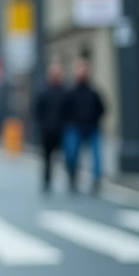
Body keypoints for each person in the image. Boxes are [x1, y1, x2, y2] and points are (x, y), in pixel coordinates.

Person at [63, 58, 106, 194]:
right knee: (72, 155)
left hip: (92, 127)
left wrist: (94, 119)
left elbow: (102, 109)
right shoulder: (70, 93)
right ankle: (72, 176)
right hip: (75, 128)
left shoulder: (93, 92)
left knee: (96, 156)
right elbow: (65, 111)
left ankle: (96, 180)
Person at [34, 60, 70, 193]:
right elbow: (37, 111)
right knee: (47, 158)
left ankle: (71, 180)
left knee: (67, 156)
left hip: (62, 130)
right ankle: (47, 181)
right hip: (47, 130)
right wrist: (40, 127)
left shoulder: (65, 92)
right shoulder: (43, 92)